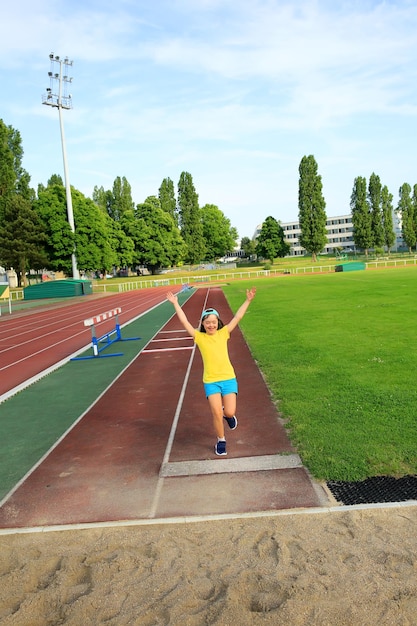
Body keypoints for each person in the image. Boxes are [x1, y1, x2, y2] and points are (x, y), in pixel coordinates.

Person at [166, 288, 256, 456]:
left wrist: (248, 300)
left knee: (228, 412)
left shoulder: (224, 333)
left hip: (228, 379)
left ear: (218, 322)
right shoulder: (199, 337)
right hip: (210, 381)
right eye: (207, 322)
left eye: (214, 322)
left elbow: (238, 317)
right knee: (216, 412)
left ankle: (229, 417)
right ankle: (221, 440)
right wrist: (176, 304)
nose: (211, 325)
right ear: (202, 324)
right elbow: (185, 321)